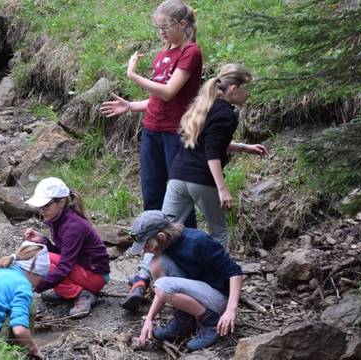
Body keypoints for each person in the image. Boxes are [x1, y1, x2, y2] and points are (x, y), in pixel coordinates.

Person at [100, 0, 201, 312]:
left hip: (175, 133)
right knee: (152, 198)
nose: (162, 32)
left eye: (166, 26)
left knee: (178, 200)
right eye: (159, 27)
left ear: (183, 25)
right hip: (153, 131)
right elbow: (158, 98)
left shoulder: (190, 52)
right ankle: (150, 270)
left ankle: (189, 263)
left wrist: (132, 75)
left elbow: (170, 92)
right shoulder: (163, 54)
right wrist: (131, 106)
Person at [163, 63, 267, 248]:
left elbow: (206, 142)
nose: (249, 95)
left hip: (178, 176)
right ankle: (220, 276)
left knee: (163, 231)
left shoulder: (203, 105)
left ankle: (144, 274)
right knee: (219, 232)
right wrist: (222, 189)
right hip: (202, 179)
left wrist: (244, 147)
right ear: (234, 89)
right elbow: (211, 151)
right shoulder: (226, 114)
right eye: (247, 90)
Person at [129, 210, 242, 351]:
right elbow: (164, 289)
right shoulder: (167, 245)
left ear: (161, 236)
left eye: (147, 245)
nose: (145, 250)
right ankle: (185, 319)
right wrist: (149, 319)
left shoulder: (197, 241)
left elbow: (235, 271)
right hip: (199, 290)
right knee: (155, 263)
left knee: (162, 286)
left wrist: (231, 310)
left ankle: (210, 322)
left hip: (219, 298)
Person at [23, 177, 110, 318]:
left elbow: (65, 266)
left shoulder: (72, 226)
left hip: (96, 275)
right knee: (39, 252)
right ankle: (68, 290)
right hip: (82, 267)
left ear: (61, 202)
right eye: (40, 207)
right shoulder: (57, 219)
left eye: (46, 206)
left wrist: (35, 287)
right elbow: (64, 253)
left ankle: (82, 294)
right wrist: (42, 241)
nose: (42, 211)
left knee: (42, 261)